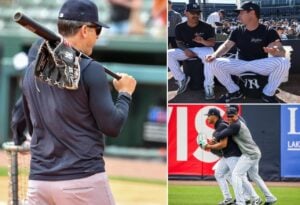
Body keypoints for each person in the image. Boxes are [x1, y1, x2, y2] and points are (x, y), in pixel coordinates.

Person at [22, 1, 137, 204]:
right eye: (97, 29)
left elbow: (32, 128)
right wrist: (125, 94)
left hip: (39, 182)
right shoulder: (91, 69)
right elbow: (112, 126)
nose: (98, 36)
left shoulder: (31, 71)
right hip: (82, 181)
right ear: (85, 30)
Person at [206, 1, 290, 103]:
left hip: (259, 65)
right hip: (241, 64)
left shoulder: (268, 30)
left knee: (284, 62)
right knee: (212, 62)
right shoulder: (237, 30)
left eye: (241, 13)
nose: (238, 16)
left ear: (252, 13)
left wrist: (275, 51)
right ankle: (234, 91)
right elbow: (226, 45)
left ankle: (268, 93)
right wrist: (215, 54)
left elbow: (281, 51)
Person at [213, 107, 277, 205]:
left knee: (236, 174)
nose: (229, 118)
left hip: (249, 154)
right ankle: (270, 197)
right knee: (254, 176)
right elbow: (226, 130)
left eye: (231, 116)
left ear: (237, 115)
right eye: (228, 116)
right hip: (255, 152)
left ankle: (240, 202)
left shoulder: (235, 125)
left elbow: (221, 134)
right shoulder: (240, 121)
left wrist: (214, 137)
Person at [200, 108, 257, 205]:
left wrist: (208, 146)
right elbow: (221, 141)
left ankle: (253, 197)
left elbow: (223, 144)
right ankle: (228, 198)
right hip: (228, 155)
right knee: (219, 174)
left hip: (233, 154)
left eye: (209, 115)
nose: (207, 118)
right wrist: (211, 143)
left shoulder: (221, 125)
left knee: (239, 177)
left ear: (214, 115)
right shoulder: (220, 126)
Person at [168, 2, 216, 99]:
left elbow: (212, 43)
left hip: (204, 49)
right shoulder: (179, 27)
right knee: (168, 54)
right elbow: (179, 42)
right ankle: (182, 79)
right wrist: (186, 50)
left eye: (197, 13)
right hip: (188, 49)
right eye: (192, 12)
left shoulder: (207, 26)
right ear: (186, 13)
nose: (195, 15)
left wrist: (203, 41)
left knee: (210, 55)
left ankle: (209, 86)